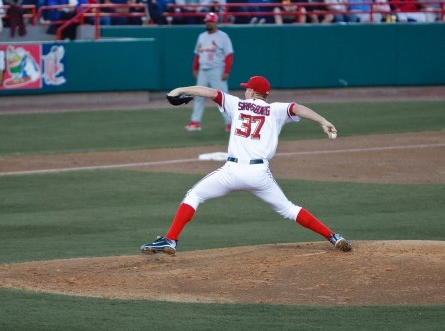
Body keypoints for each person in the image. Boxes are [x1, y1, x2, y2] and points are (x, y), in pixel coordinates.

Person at [141, 75, 352, 255]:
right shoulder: (275, 110)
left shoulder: (236, 104)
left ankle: (170, 239)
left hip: (231, 172)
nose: (245, 92)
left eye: (247, 89)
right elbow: (298, 108)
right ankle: (333, 236)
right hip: (259, 174)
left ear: (252, 92)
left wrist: (180, 89)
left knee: (194, 195)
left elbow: (209, 92)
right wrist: (324, 121)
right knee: (289, 209)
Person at [185, 11, 234, 132]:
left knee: (223, 98)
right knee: (198, 96)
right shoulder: (202, 36)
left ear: (216, 22)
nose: (208, 24)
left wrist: (226, 71)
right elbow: (197, 54)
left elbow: (229, 55)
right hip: (203, 70)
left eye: (210, 21)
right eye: (207, 22)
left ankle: (231, 123)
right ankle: (195, 122)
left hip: (217, 69)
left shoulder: (223, 36)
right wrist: (195, 68)